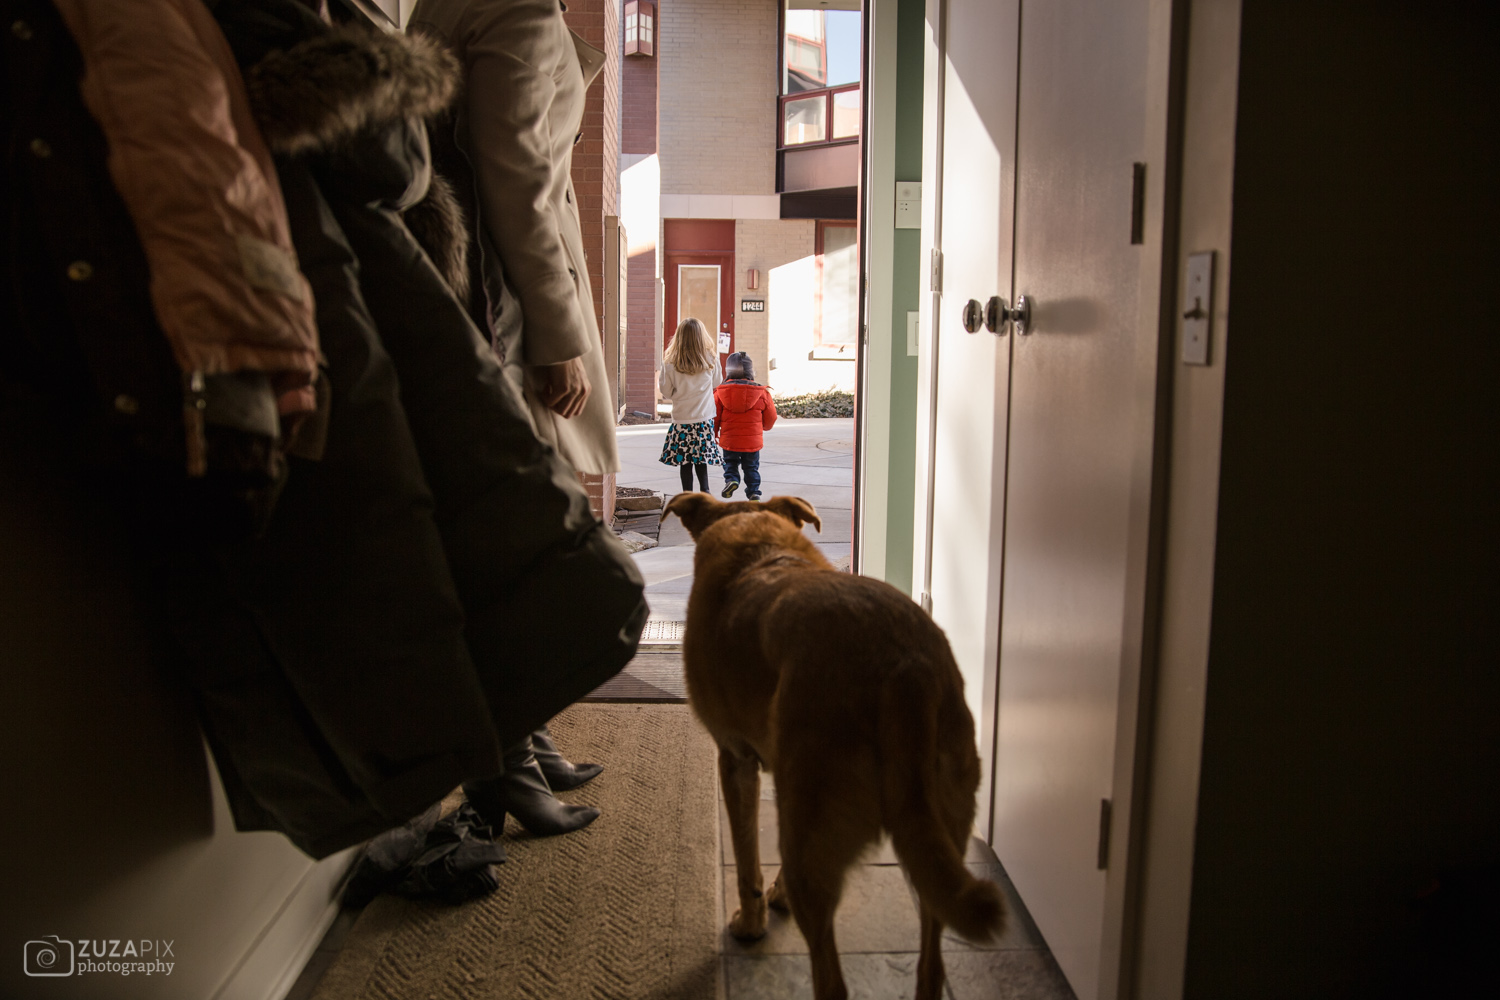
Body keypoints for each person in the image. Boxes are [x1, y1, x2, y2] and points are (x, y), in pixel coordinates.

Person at [657, 318, 723, 494]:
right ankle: (705, 492)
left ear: (679, 338)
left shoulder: (670, 363)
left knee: (685, 461)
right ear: (702, 337)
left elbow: (667, 391)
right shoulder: (711, 359)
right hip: (703, 418)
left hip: (682, 420)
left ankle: (687, 495)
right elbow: (717, 382)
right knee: (701, 460)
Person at [714, 352, 778, 501]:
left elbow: (714, 416)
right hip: (752, 442)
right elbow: (771, 417)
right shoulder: (761, 393)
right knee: (751, 467)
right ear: (750, 370)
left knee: (730, 462)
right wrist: (764, 427)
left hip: (730, 440)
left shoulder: (720, 392)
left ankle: (732, 480)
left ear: (728, 370)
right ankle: (754, 492)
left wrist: (714, 432)